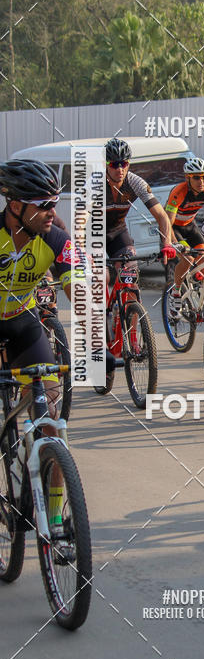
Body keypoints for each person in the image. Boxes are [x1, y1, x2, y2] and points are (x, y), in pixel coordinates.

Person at [0, 160, 76, 551]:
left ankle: (57, 514)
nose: (52, 212)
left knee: (52, 420)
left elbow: (77, 288)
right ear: (15, 206)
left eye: (54, 202)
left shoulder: (55, 238)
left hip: (23, 323)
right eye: (43, 204)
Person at [164, 157, 204, 318]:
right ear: (187, 178)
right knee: (188, 259)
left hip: (190, 226)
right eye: (196, 177)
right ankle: (176, 292)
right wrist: (174, 244)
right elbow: (168, 221)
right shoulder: (179, 191)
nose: (201, 181)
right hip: (174, 228)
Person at [105, 137, 176, 266]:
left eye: (124, 164)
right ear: (105, 164)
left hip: (117, 232)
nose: (120, 169)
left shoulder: (135, 182)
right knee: (102, 276)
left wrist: (167, 243)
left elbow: (161, 215)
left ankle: (126, 286)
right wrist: (82, 248)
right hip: (94, 233)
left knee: (130, 269)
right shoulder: (95, 183)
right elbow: (80, 219)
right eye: (114, 164)